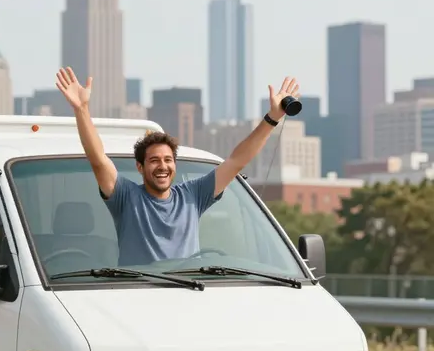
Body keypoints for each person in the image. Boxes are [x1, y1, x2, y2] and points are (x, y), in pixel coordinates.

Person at [54, 66, 300, 266]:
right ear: (140, 168)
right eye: (154, 160)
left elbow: (236, 161)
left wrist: (272, 118)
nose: (162, 166)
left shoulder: (194, 195)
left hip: (187, 296)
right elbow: (98, 160)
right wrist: (82, 110)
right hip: (133, 295)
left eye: (168, 160)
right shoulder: (126, 197)